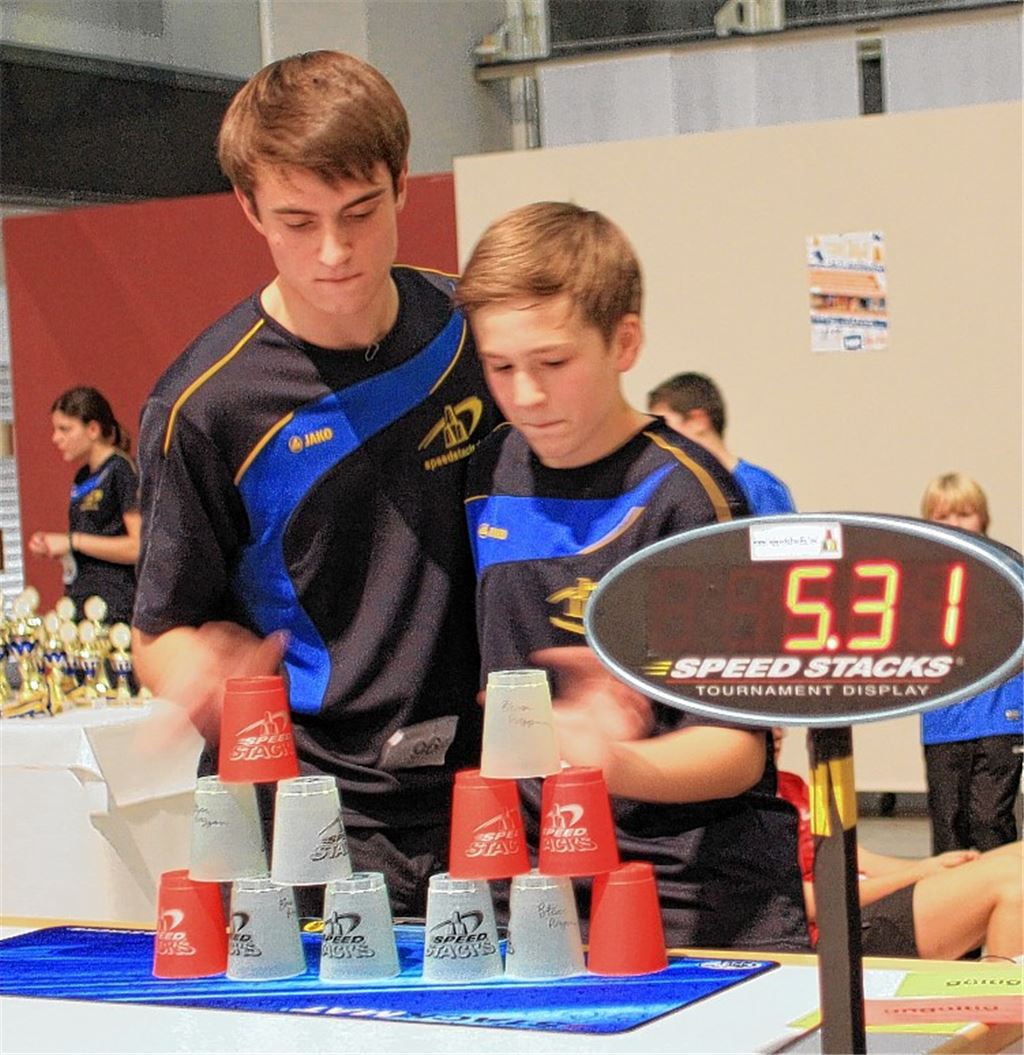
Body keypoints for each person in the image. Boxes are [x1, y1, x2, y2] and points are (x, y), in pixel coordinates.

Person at [131, 50, 501, 917]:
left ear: (404, 184)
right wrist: (204, 670)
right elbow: (161, 633)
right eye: (297, 221)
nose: (334, 252)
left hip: (489, 791)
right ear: (249, 208)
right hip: (306, 817)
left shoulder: (478, 331)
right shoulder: (206, 405)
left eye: (360, 213)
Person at [456, 201, 810, 951]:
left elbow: (739, 748)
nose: (525, 394)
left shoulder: (691, 497)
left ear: (625, 342)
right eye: (500, 367)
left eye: (553, 363)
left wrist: (613, 760)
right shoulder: (485, 474)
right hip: (538, 891)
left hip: (690, 893)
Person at [776, 748, 1023, 960]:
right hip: (828, 934)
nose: (776, 734)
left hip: (866, 901)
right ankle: (1003, 1007)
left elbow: (857, 859)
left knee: (1017, 855)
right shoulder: (750, 808)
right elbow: (802, 903)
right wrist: (917, 874)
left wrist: (937, 867)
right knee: (1012, 880)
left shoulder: (795, 785)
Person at [918, 472, 1023, 855]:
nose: (955, 524)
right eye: (943, 515)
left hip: (1000, 718)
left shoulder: (1010, 571)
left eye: (965, 514)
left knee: (990, 821)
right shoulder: (918, 581)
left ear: (983, 518)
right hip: (943, 722)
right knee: (949, 827)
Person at [29, 386, 140, 624]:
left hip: (114, 607)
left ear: (92, 429)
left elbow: (138, 546)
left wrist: (72, 541)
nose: (56, 438)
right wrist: (56, 546)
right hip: (82, 601)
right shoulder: (82, 477)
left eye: (65, 429)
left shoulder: (120, 471)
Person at [647, 371, 796, 514]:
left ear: (698, 421)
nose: (658, 436)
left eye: (664, 424)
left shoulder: (759, 486)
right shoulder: (677, 490)